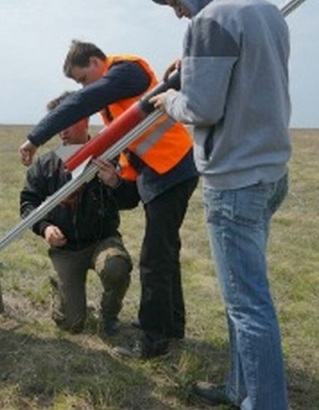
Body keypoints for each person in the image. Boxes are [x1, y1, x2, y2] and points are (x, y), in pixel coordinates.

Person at [149, 0, 291, 409]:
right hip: (270, 172)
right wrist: (191, 69)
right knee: (243, 296)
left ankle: (264, 403)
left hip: (233, 179)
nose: (178, 13)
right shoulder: (266, 11)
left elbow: (202, 108)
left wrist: (169, 99)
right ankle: (239, 388)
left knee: (247, 304)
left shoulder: (209, 22)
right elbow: (241, 80)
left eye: (176, 2)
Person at [19, 41, 199, 359]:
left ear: (95, 61)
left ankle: (153, 342)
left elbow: (85, 100)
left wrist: (37, 136)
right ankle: (172, 327)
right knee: (165, 255)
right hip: (159, 174)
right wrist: (118, 180)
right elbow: (130, 149)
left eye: (83, 78)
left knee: (154, 259)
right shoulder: (114, 100)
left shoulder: (126, 71)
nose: (85, 87)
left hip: (171, 168)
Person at [20, 91, 134, 336]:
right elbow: (28, 204)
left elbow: (132, 199)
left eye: (67, 121)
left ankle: (109, 314)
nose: (62, 130)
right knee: (71, 324)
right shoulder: (45, 165)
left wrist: (115, 182)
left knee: (116, 267)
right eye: (56, 123)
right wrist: (45, 228)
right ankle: (61, 287)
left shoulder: (112, 157)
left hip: (102, 240)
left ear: (84, 118)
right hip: (66, 250)